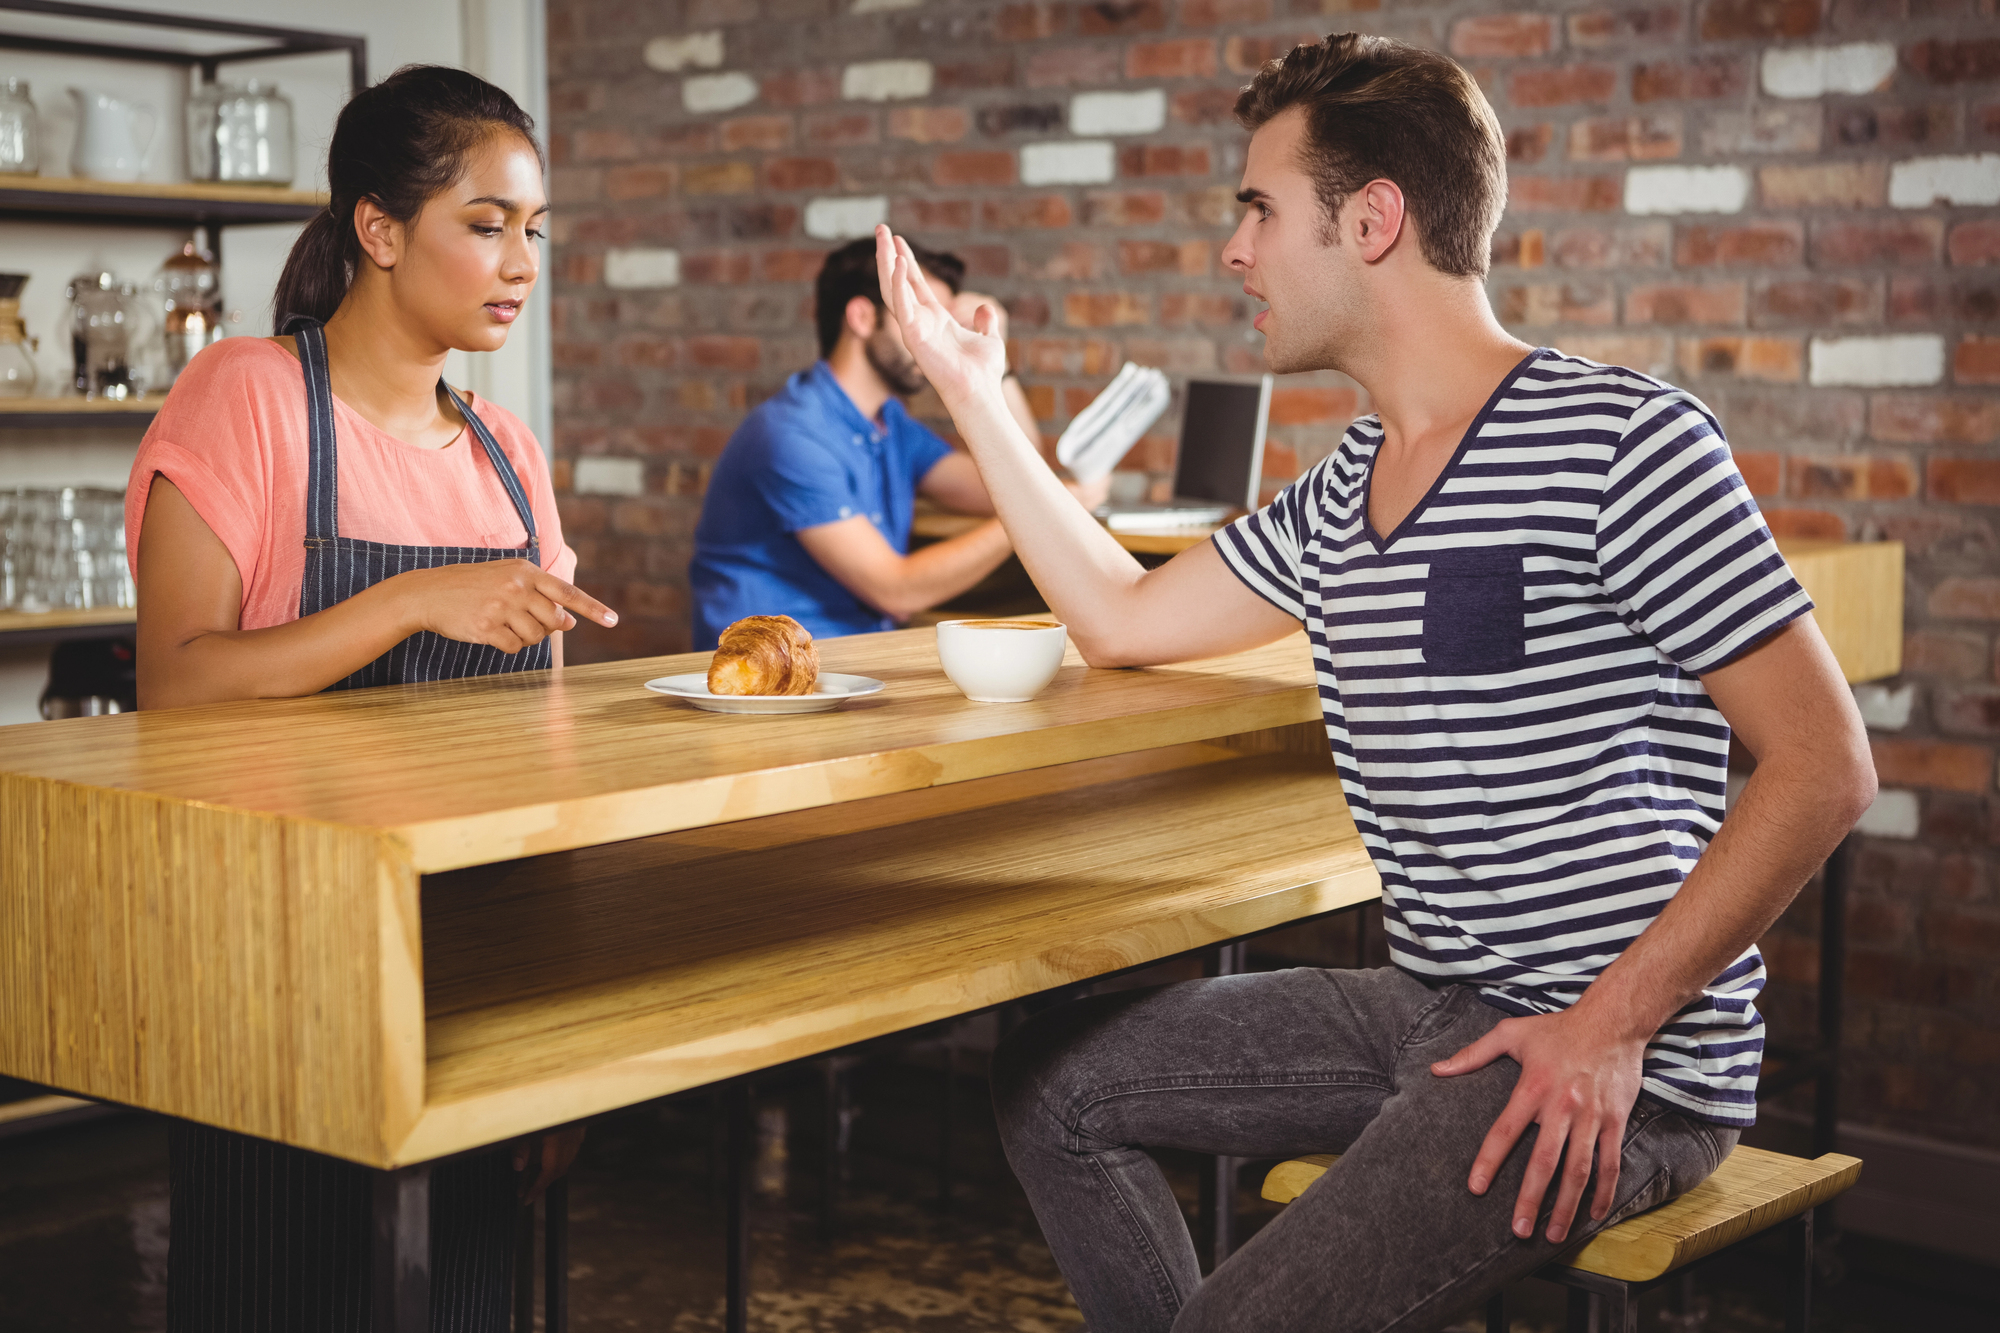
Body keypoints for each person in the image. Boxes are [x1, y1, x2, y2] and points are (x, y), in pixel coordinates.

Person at [872, 33, 1876, 1333]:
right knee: (1054, 1087)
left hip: (1615, 1057)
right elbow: (1121, 615)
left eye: (1258, 208)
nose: (1235, 251)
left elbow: (1825, 765)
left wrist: (1614, 1026)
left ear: (1374, 218)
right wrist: (975, 394)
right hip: (1430, 1003)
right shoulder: (1342, 493)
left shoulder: (1624, 441)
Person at [127, 66, 607, 1331]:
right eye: (486, 223)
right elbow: (175, 680)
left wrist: (547, 1048)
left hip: (470, 956)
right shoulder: (249, 398)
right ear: (379, 230)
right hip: (275, 963)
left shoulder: (511, 458)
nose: (520, 261)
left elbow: (542, 757)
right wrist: (407, 600)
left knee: (459, 1297)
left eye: (535, 231)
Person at [688, 237, 1104, 649]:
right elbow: (895, 592)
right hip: (770, 676)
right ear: (862, 317)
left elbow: (1006, 479)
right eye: (917, 318)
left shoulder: (890, 425)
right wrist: (1041, 512)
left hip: (854, 658)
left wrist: (995, 364)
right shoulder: (789, 435)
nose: (933, 339)